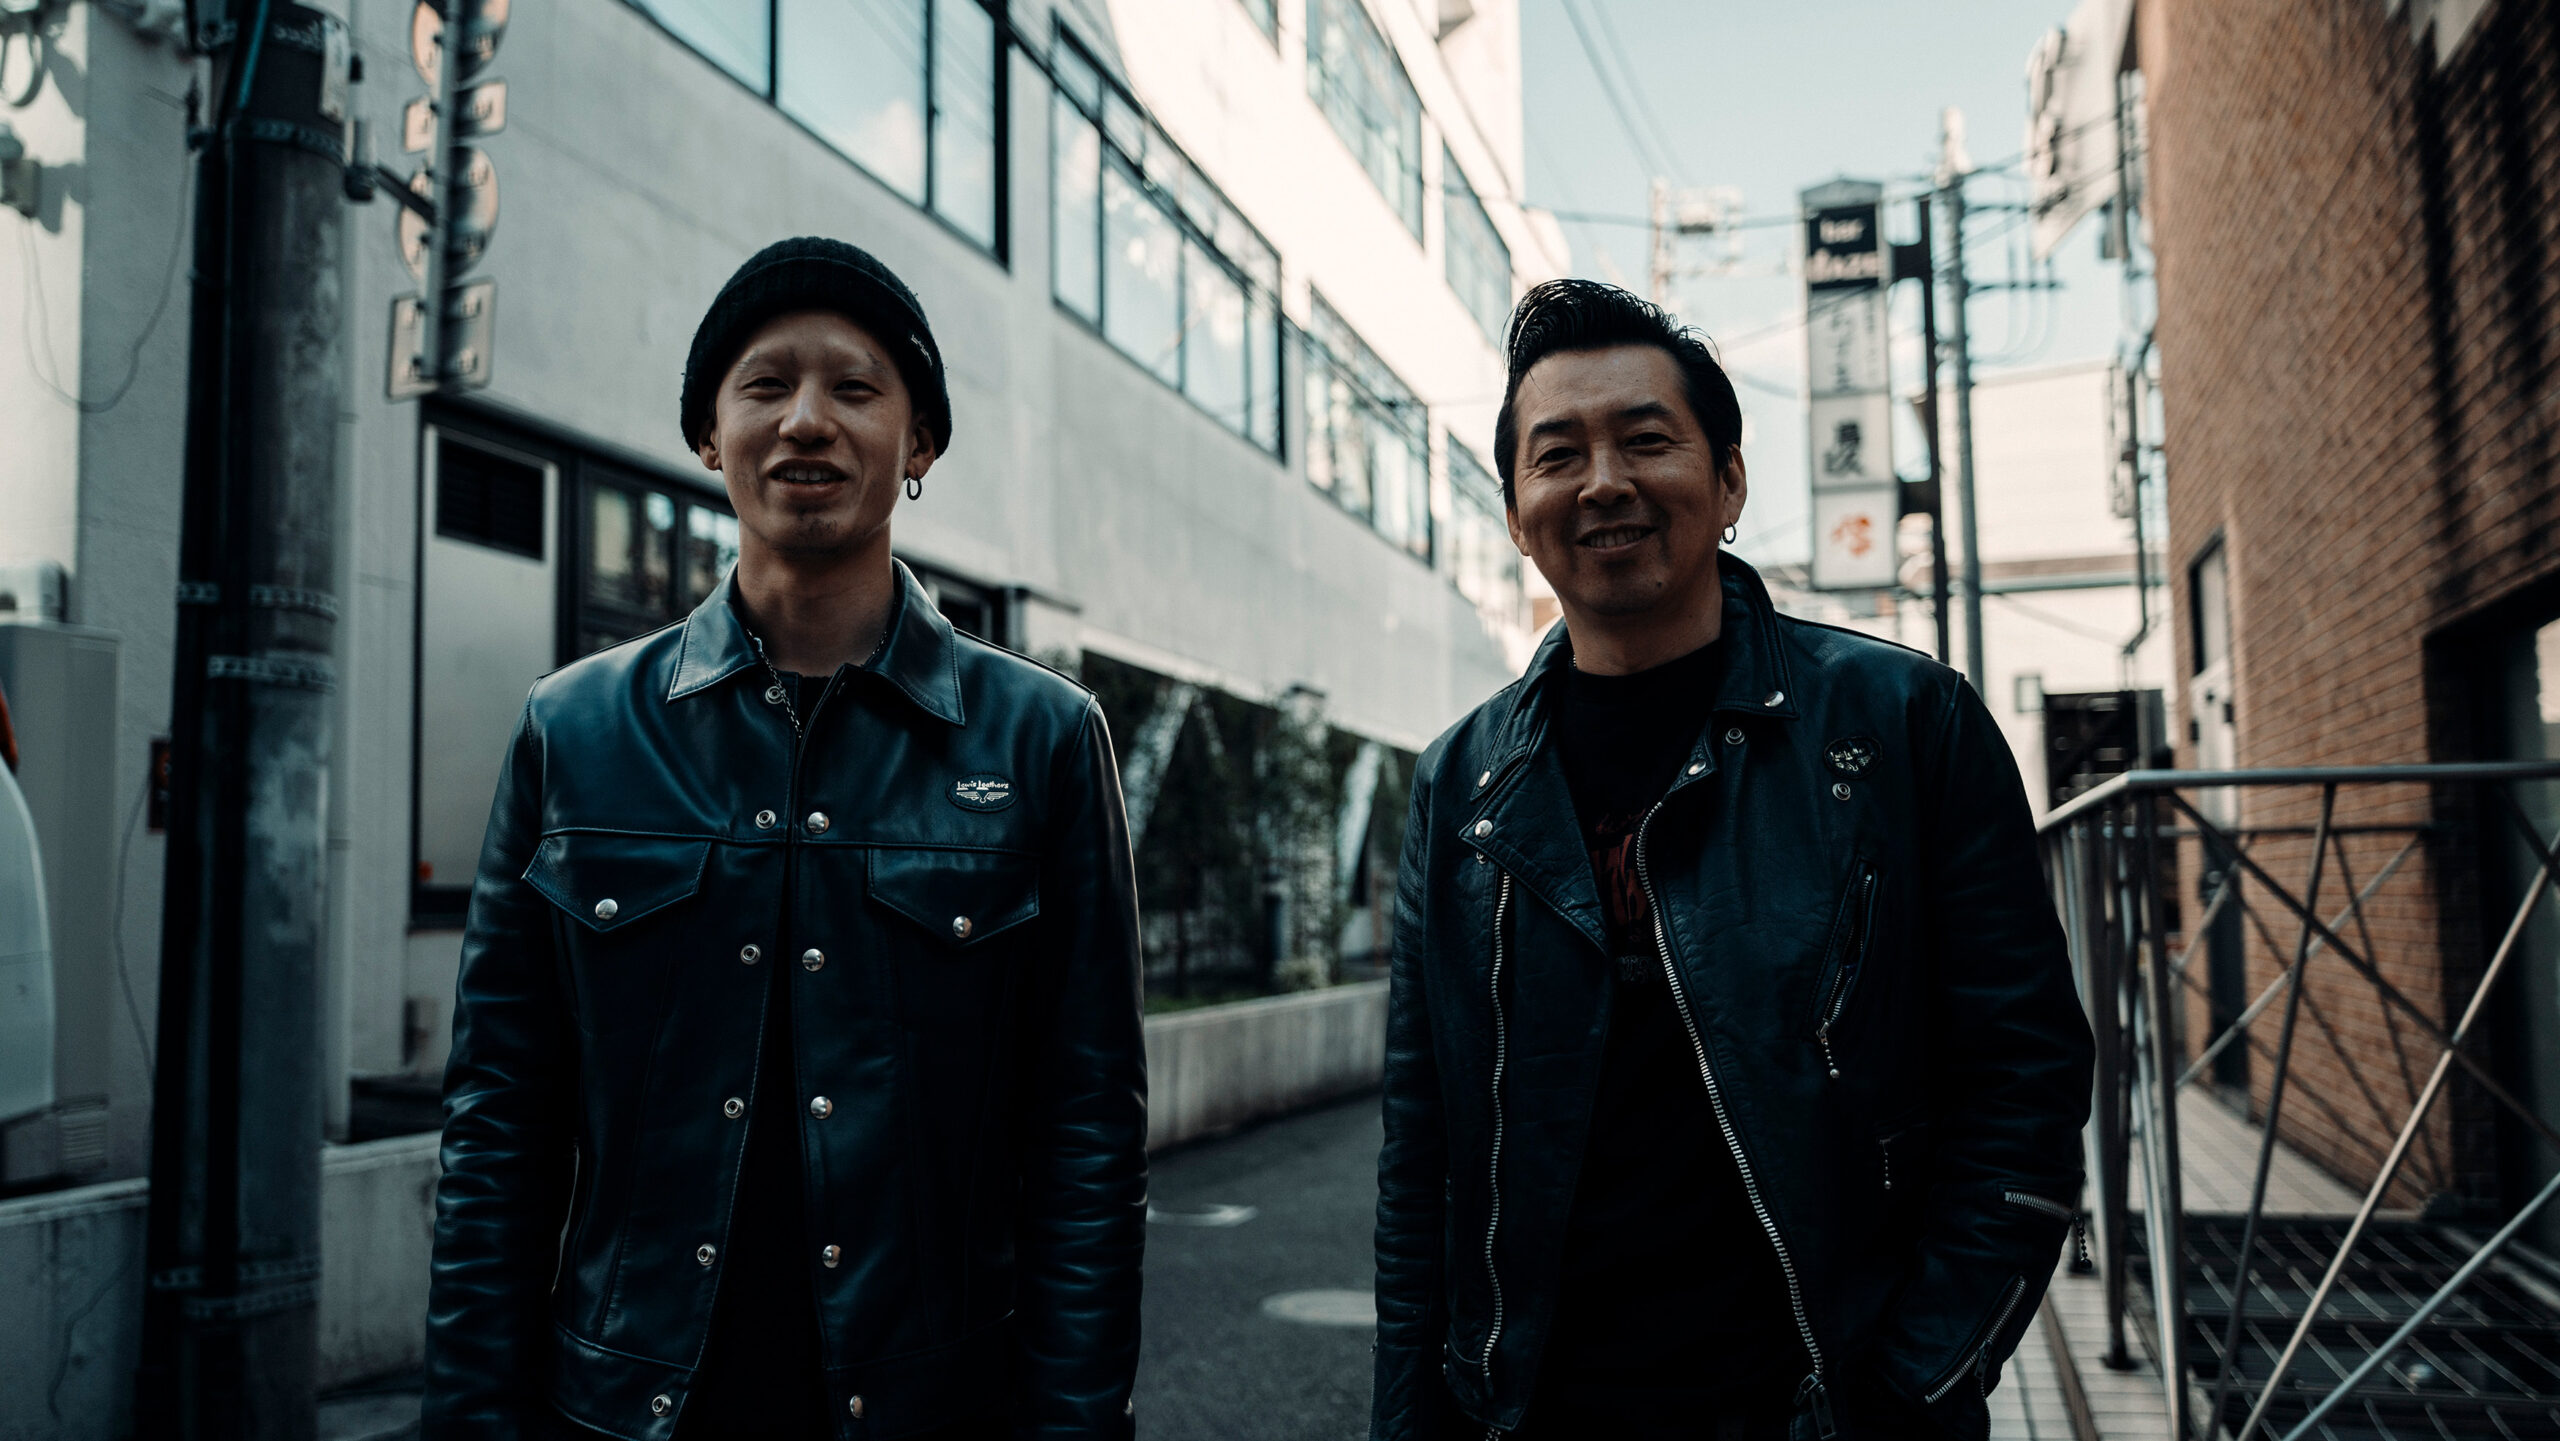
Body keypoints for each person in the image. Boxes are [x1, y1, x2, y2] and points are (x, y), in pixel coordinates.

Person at [424, 237, 1148, 1441]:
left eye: (855, 388)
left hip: (933, 1412)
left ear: (919, 444)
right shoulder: (574, 729)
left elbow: (1087, 1138)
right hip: (621, 1411)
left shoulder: (1043, 740)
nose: (806, 420)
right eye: (764, 385)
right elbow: (500, 1123)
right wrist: (471, 1419)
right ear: (710, 436)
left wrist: (1072, 1425)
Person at [1370, 280, 2093, 1441]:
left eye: (1645, 440)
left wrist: (1911, 1381)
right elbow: (1423, 1156)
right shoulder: (1460, 782)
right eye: (1558, 455)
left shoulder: (1905, 725)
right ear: (1515, 512)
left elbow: (2025, 1081)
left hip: (1821, 1404)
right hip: (1534, 1412)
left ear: (1730, 482)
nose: (1603, 482)